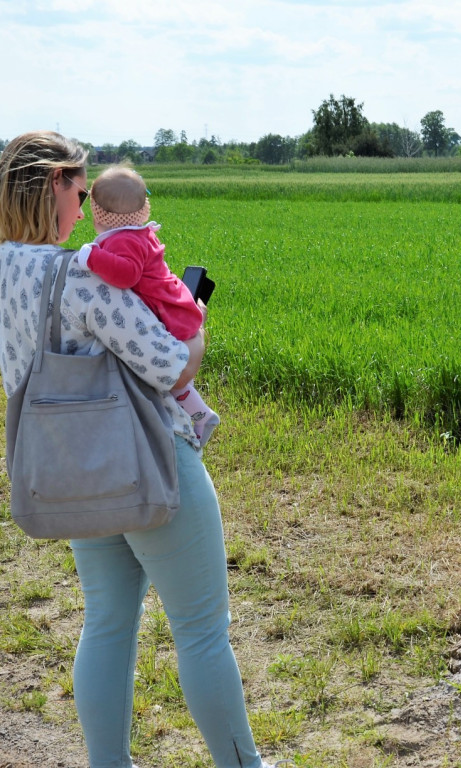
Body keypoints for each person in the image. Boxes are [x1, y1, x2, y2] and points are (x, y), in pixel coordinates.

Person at [0, 131, 287, 768]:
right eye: (79, 189)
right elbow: (169, 368)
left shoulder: (1, 272)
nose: (84, 207)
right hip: (150, 469)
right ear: (53, 186)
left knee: (105, 624)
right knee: (204, 632)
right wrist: (193, 322)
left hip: (73, 472)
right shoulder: (78, 273)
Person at [77, 164, 220, 447]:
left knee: (164, 375)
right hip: (176, 308)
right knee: (172, 381)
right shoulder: (135, 235)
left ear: (99, 215)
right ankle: (202, 414)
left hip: (168, 315)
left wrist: (90, 257)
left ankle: (192, 417)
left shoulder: (123, 241)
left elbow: (126, 274)